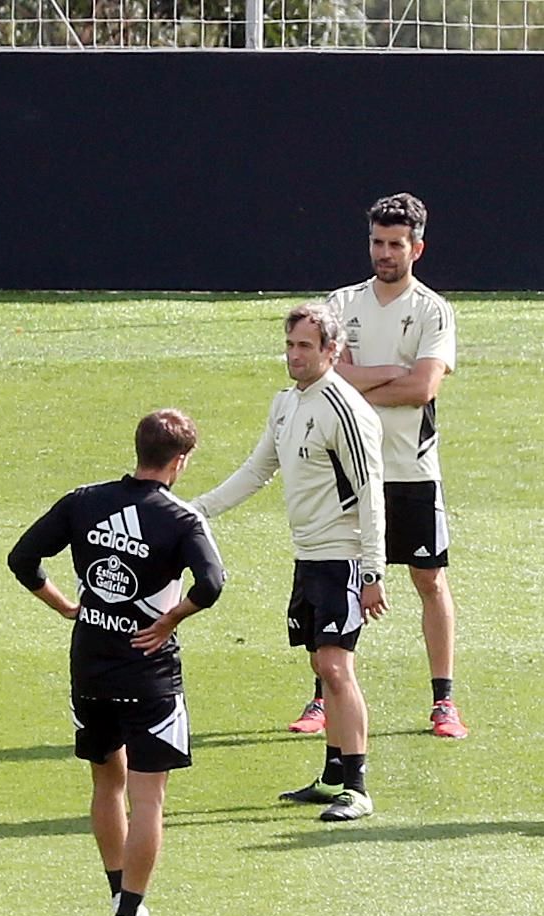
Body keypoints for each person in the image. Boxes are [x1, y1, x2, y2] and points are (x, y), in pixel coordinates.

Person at [7, 409, 225, 916]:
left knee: (107, 783)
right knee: (150, 798)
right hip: (149, 676)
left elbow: (23, 558)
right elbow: (213, 583)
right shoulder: (182, 519)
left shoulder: (86, 501)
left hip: (91, 664)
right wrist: (169, 620)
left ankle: (115, 897)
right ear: (180, 461)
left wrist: (66, 608)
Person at [192, 303, 387, 822]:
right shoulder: (286, 404)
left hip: (342, 558)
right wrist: (194, 510)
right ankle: (331, 776)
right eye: (290, 345)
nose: (294, 355)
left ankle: (358, 787)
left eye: (305, 346)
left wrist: (373, 571)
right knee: (319, 664)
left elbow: (371, 495)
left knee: (336, 666)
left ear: (332, 350)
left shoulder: (346, 410)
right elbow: (257, 471)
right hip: (308, 556)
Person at [291, 192, 467, 740]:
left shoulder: (434, 310)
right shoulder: (340, 304)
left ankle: (444, 702)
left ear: (418, 247)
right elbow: (323, 375)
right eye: (376, 242)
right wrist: (391, 371)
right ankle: (323, 696)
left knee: (429, 580)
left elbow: (424, 387)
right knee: (334, 580)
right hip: (344, 469)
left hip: (411, 469)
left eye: (395, 244)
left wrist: (360, 376)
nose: (384, 253)